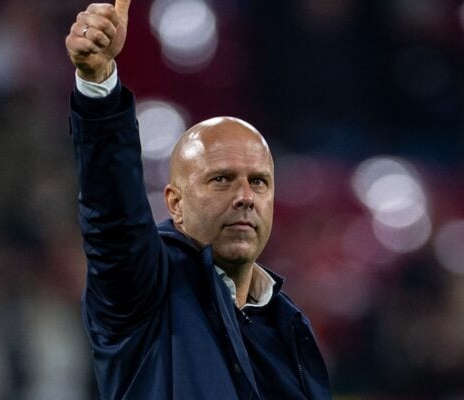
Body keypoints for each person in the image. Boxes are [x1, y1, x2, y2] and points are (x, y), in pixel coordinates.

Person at [65, 1, 332, 399]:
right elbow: (112, 219)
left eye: (259, 182)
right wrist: (99, 90)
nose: (244, 196)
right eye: (221, 180)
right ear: (174, 203)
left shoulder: (286, 322)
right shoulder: (145, 290)